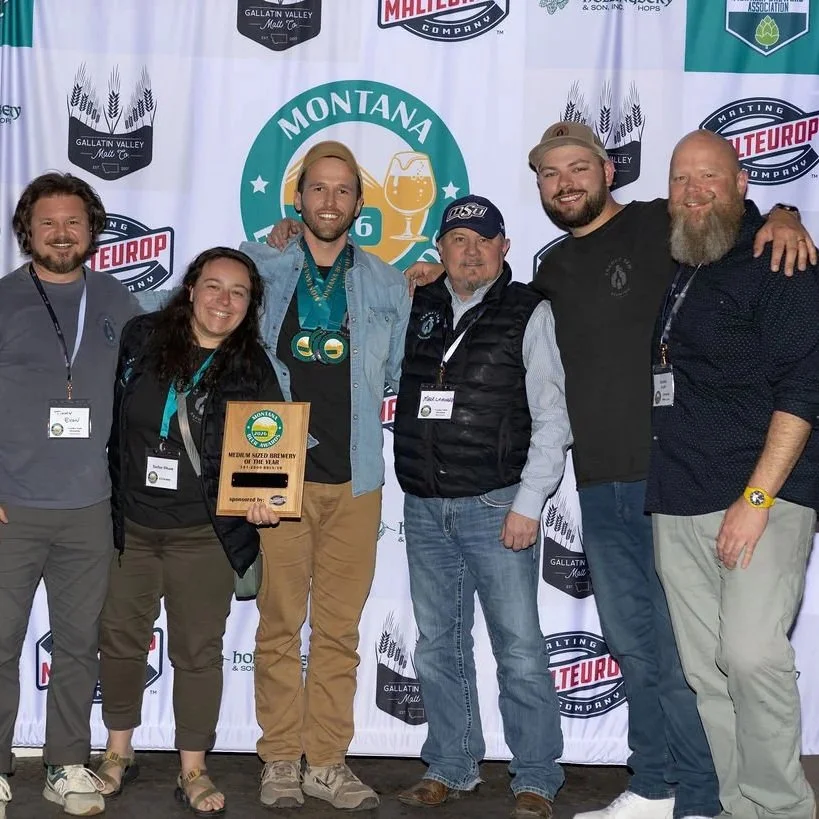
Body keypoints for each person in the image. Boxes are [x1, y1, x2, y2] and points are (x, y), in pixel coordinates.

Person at [405, 122, 814, 819]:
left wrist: (786, 214)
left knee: (696, 655)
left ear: (607, 169)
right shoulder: (552, 271)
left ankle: (702, 795)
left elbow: (727, 209)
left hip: (675, 479)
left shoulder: (664, 222)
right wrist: (429, 277)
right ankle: (655, 784)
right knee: (638, 648)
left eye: (577, 168)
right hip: (600, 482)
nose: (564, 183)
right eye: (548, 173)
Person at [647, 130, 819, 819]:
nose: (694, 191)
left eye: (708, 178)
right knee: (706, 674)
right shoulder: (680, 257)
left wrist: (754, 499)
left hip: (760, 496)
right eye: (681, 180)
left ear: (741, 183)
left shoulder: (777, 259)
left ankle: (781, 809)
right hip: (678, 499)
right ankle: (738, 807)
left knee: (749, 657)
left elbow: (805, 388)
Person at [239, 140, 410, 811]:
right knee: (279, 624)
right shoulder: (260, 263)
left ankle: (327, 760)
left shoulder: (387, 281)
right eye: (318, 189)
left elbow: (394, 372)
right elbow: (204, 314)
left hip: (355, 476)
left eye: (343, 191)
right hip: (271, 470)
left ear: (359, 205)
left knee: (339, 629)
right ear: (298, 198)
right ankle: (280, 758)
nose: (329, 201)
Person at [393, 195, 571, 819]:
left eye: (483, 239)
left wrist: (528, 504)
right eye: (457, 239)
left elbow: (554, 418)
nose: (470, 250)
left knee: (519, 648)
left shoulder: (530, 311)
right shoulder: (417, 305)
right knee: (438, 646)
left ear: (505, 248)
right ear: (439, 250)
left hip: (498, 504)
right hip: (423, 505)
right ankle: (452, 764)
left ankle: (537, 777)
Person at [93, 247, 283, 816]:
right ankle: (117, 753)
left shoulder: (252, 364)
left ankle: (193, 768)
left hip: (204, 533)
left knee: (199, 653)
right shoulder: (141, 338)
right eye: (213, 287)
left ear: (250, 306)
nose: (223, 301)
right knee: (121, 641)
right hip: (130, 527)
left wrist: (262, 500)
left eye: (238, 293)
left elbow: (269, 445)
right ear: (190, 288)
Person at [0, 173, 142, 817]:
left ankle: (65, 764)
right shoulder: (2, 300)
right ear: (27, 230)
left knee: (78, 642)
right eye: (49, 223)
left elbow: (184, 348)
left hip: (90, 507)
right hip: (12, 506)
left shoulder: (117, 300)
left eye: (75, 222)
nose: (62, 233)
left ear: (93, 230)